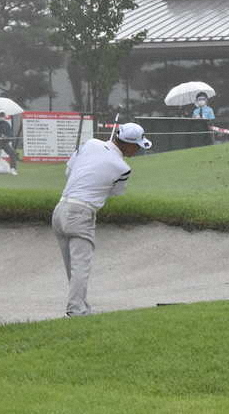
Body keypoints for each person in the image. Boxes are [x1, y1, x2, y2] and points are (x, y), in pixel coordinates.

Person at [52, 122, 151, 317]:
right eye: (137, 145)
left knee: (72, 266)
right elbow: (114, 193)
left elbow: (68, 171)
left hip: (59, 210)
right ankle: (76, 311)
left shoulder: (90, 144)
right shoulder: (123, 168)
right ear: (127, 144)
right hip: (82, 213)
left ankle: (81, 306)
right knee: (80, 266)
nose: (138, 149)